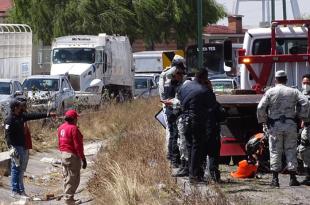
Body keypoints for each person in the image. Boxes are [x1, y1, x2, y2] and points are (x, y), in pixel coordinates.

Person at [257, 70, 309, 187]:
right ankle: (292, 178)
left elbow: (260, 107)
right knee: (291, 150)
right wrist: (301, 116)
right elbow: (305, 102)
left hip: (275, 126)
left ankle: (275, 180)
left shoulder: (270, 92)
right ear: (286, 79)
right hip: (290, 125)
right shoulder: (294, 91)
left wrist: (264, 120)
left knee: (275, 151)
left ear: (276, 79)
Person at [4, 99, 56, 198]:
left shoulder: (21, 116)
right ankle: (14, 192)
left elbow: (34, 116)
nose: (22, 107)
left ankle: (21, 191)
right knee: (15, 169)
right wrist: (11, 147)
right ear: (15, 107)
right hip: (16, 148)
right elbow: (7, 135)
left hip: (22, 146)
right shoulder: (10, 119)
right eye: (20, 106)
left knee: (21, 169)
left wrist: (48, 114)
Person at [179, 69, 217, 183]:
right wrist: (210, 88)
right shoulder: (204, 90)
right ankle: (195, 176)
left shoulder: (185, 87)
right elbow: (213, 104)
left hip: (185, 120)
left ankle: (192, 173)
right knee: (198, 148)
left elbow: (179, 100)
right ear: (204, 78)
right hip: (197, 121)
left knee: (190, 147)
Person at [159, 55, 186, 168]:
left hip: (168, 106)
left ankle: (172, 157)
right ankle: (175, 159)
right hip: (173, 107)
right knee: (175, 134)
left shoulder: (164, 74)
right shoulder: (171, 74)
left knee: (171, 134)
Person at [58, 109, 87, 205]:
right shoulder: (74, 129)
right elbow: (78, 145)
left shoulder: (61, 127)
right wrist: (83, 158)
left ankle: (67, 196)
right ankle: (69, 199)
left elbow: (59, 142)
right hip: (71, 156)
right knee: (73, 178)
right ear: (74, 119)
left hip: (63, 154)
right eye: (76, 118)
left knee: (67, 177)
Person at [298, 74, 310, 185]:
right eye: (304, 83)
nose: (306, 85)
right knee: (304, 150)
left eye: (308, 83)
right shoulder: (301, 95)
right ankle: (308, 175)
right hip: (306, 126)